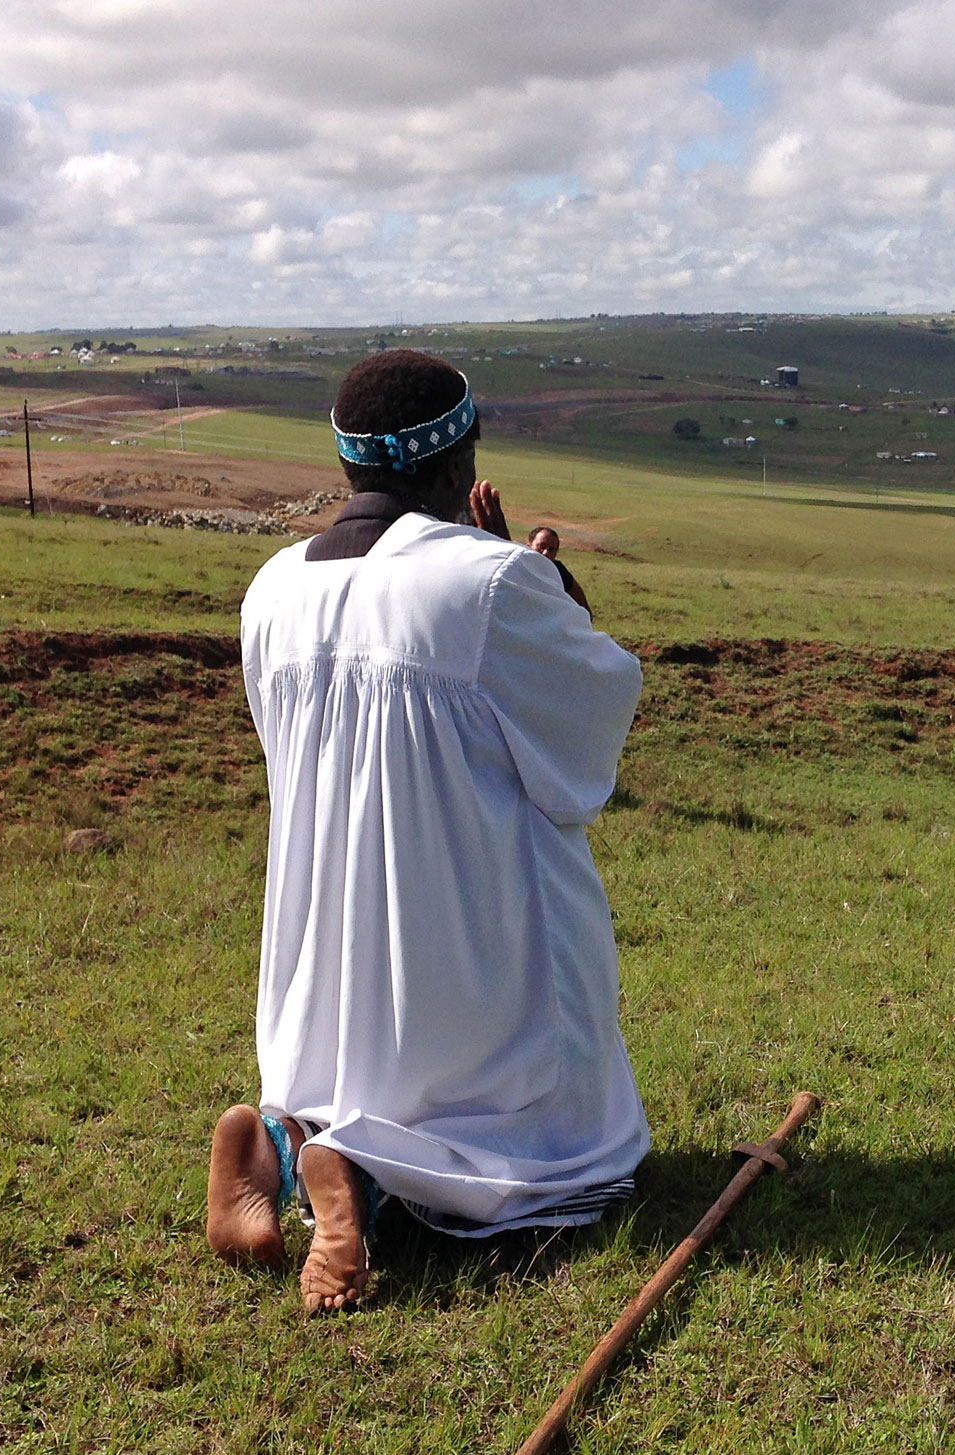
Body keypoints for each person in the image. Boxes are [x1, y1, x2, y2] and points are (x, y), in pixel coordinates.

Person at [205, 349, 647, 1313]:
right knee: (572, 1156)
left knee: (336, 1064)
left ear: (349, 465)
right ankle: (356, 1162)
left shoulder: (271, 591)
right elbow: (594, 716)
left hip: (323, 977)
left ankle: (289, 1138)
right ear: (457, 465)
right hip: (465, 968)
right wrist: (546, 587)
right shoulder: (488, 585)